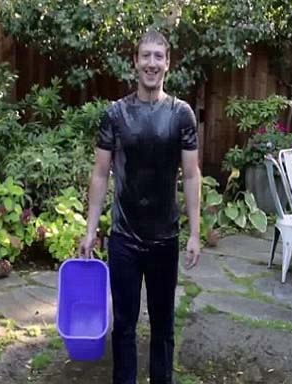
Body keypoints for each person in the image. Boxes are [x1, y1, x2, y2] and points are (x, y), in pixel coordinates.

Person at [78, 29, 201, 384]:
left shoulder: (182, 115)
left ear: (168, 64)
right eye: (145, 56)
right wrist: (90, 231)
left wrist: (194, 233)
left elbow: (191, 176)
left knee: (163, 329)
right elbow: (100, 174)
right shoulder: (115, 114)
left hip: (165, 239)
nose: (151, 63)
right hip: (124, 240)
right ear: (135, 62)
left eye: (158, 56)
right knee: (124, 329)